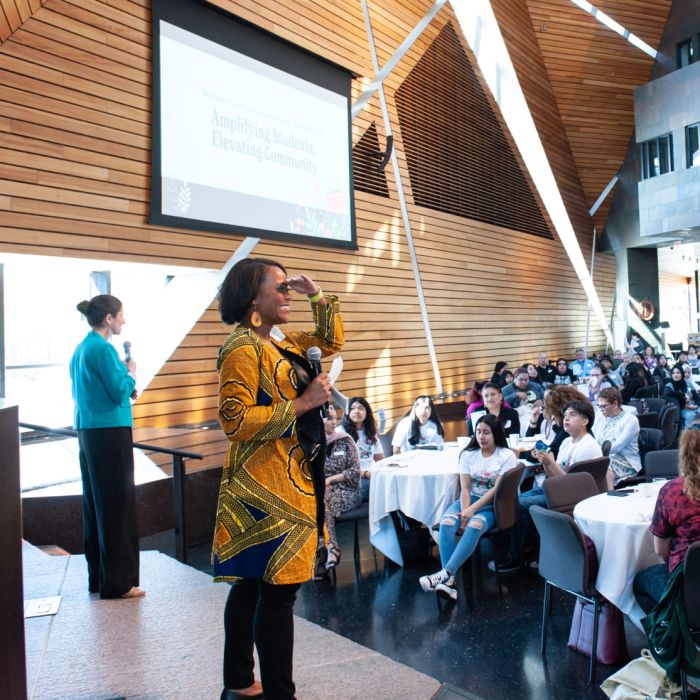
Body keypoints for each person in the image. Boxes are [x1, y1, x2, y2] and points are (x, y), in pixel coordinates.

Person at [214, 258, 343, 700]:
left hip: (285, 480)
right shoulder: (242, 348)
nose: (288, 295)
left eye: (290, 289)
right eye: (281, 288)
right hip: (264, 488)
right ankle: (279, 694)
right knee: (276, 594)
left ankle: (238, 681)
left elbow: (331, 341)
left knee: (253, 586)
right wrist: (304, 405)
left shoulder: (277, 340)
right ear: (254, 298)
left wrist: (318, 295)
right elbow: (234, 423)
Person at [70, 294, 143, 600]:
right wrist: (131, 373)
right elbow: (118, 391)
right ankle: (119, 583)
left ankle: (100, 578)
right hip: (110, 430)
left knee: (97, 506)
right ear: (108, 319)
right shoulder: (103, 349)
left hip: (89, 431)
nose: (124, 320)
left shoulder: (82, 348)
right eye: (121, 315)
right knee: (117, 506)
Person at [418, 414, 516, 601]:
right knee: (447, 523)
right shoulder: (468, 454)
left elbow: (496, 491)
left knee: (475, 526)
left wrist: (472, 511)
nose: (481, 436)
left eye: (486, 432)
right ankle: (450, 583)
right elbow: (465, 488)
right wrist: (465, 511)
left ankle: (445, 574)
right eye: (478, 431)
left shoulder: (506, 455)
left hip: (491, 505)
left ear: (496, 434)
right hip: (468, 500)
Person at [504, 399, 602, 570]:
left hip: (572, 498)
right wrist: (545, 462)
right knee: (514, 499)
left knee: (521, 504)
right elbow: (553, 479)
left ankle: (517, 557)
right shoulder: (566, 441)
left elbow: (571, 485)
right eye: (565, 415)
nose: (566, 419)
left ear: (585, 421)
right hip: (557, 490)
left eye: (572, 415)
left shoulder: (588, 447)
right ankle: (528, 550)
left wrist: (551, 462)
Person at [633, 427, 700, 613]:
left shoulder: (674, 491)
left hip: (687, 586)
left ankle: (674, 635)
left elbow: (661, 551)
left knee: (639, 582)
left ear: (684, 454)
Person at [322, 405, 361, 570]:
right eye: (329, 418)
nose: (333, 422)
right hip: (324, 493)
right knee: (320, 504)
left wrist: (330, 479)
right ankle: (328, 551)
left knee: (323, 505)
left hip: (348, 491)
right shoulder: (313, 445)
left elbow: (355, 471)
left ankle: (331, 548)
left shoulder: (345, 440)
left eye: (335, 418)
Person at [593, 388, 641, 487]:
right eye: (599, 406)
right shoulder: (600, 417)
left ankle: (609, 497)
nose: (601, 409)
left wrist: (596, 454)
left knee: (603, 466)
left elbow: (617, 446)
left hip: (625, 461)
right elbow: (593, 439)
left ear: (615, 404)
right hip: (602, 456)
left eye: (603, 406)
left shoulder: (630, 419)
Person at [342, 396, 383, 502]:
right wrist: (365, 473)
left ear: (367, 412)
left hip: (371, 476)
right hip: (351, 479)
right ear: (347, 412)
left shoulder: (371, 433)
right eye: (353, 408)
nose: (357, 411)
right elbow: (341, 467)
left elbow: (381, 461)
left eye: (361, 408)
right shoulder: (340, 433)